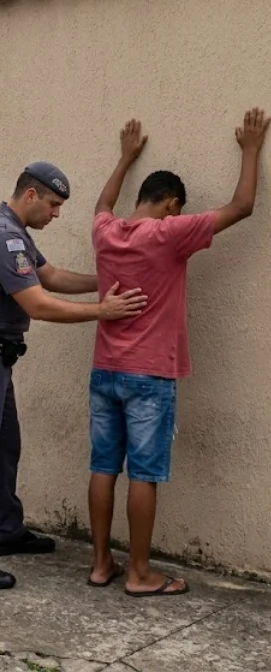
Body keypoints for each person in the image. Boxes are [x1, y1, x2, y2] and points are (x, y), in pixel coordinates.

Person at [86, 110, 269, 597]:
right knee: (143, 474)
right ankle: (140, 573)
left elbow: (102, 203)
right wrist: (251, 150)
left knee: (103, 466)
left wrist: (124, 158)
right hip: (149, 375)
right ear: (171, 205)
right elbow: (243, 205)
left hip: (104, 369)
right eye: (178, 208)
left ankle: (101, 563)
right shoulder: (170, 234)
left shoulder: (105, 231)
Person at [0, 161, 150, 590]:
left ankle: (7, 531)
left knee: (4, 450)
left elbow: (49, 275)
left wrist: (106, 279)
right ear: (31, 195)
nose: (56, 214)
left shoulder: (11, 231)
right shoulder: (2, 237)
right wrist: (103, 311)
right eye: (53, 205)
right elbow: (37, 303)